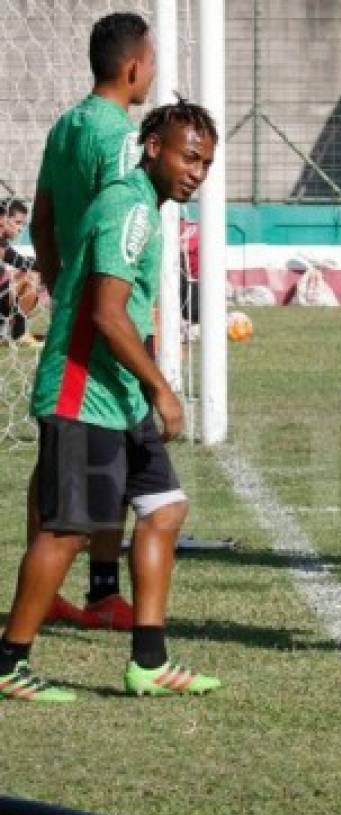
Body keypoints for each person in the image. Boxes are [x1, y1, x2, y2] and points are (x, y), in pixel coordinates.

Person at [0, 100, 220, 703]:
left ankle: (148, 662)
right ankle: (10, 662)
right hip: (83, 392)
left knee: (165, 508)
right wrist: (161, 387)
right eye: (188, 156)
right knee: (68, 531)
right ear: (154, 148)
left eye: (205, 162)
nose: (196, 172)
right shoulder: (129, 208)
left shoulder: (140, 206)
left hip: (116, 397)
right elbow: (106, 313)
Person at [31, 12, 157, 630]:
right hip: (113, 317)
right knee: (114, 458)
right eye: (152, 61)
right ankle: (103, 590)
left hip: (77, 316)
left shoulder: (64, 126)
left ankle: (53, 590)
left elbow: (40, 223)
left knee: (57, 467)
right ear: (134, 67)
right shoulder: (124, 141)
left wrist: (62, 289)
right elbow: (119, 216)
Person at [0, 199, 42, 347]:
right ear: (3, 219)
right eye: (18, 223)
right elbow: (21, 263)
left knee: (30, 274)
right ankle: (19, 334)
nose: (20, 229)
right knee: (31, 277)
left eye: (23, 225)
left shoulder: (3, 245)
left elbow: (22, 262)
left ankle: (9, 330)